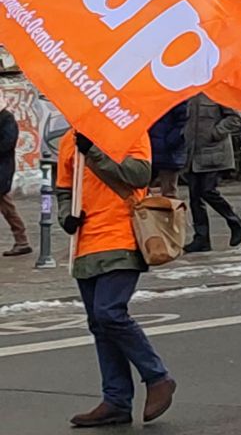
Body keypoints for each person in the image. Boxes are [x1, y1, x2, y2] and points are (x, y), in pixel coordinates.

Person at [54, 129, 173, 427]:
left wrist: (95, 151)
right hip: (84, 244)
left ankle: (157, 377)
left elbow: (139, 175)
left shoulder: (129, 130)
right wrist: (65, 215)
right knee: (99, 323)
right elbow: (64, 189)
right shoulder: (69, 139)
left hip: (123, 237)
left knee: (110, 313)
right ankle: (116, 400)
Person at [181, 93, 241, 253]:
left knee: (208, 191)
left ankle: (235, 221)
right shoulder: (187, 92)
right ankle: (201, 238)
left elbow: (236, 118)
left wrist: (216, 132)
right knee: (195, 197)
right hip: (192, 154)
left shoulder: (218, 92)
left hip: (214, 152)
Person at [0, 98, 27, 257]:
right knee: (6, 206)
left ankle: (22, 240)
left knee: (6, 205)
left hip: (3, 168)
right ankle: (21, 240)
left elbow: (8, 143)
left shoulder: (6, 119)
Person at [145, 101, 187, 200]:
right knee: (144, 193)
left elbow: (184, 122)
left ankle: (170, 215)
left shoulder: (178, 97)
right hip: (151, 151)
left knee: (169, 194)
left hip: (168, 152)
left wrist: (171, 142)